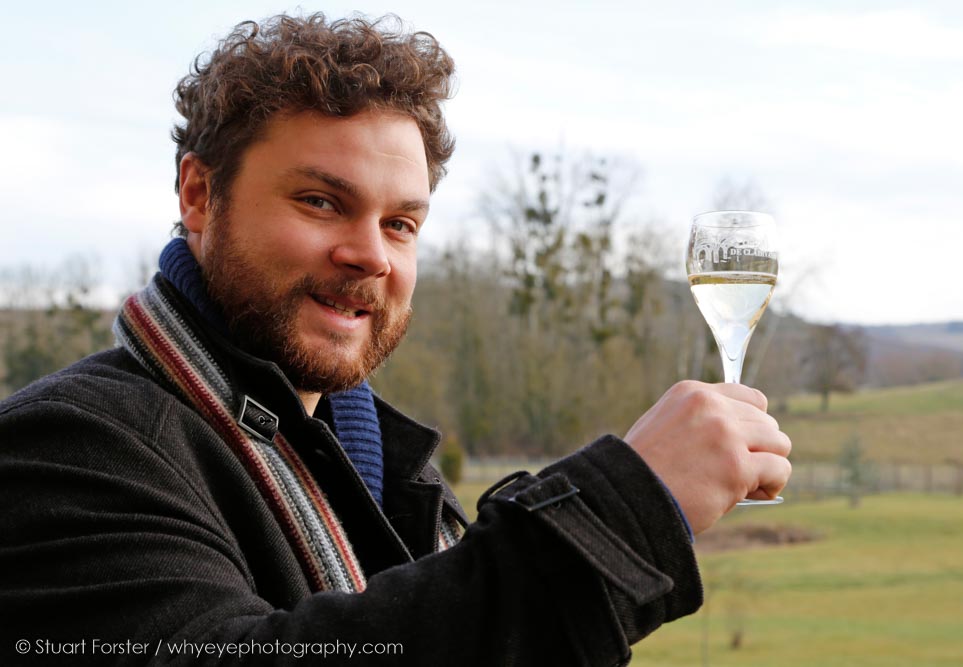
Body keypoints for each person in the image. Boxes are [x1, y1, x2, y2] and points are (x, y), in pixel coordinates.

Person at [0, 13, 791, 666]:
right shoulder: (66, 448)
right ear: (201, 195)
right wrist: (617, 514)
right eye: (319, 201)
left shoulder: (383, 468)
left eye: (400, 223)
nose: (372, 254)